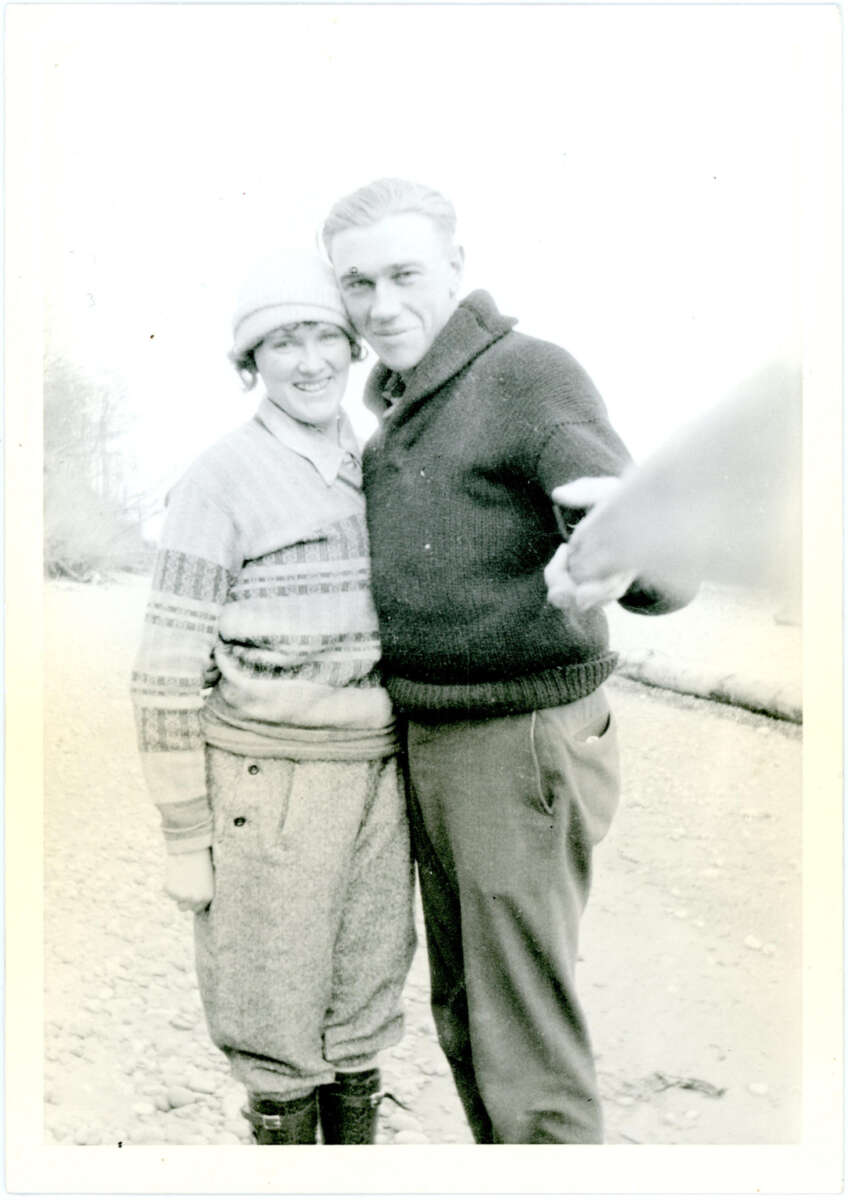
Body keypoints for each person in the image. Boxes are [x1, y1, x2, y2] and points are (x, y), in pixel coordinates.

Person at [321, 179, 692, 1145]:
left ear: (455, 267)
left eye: (405, 274)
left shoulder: (529, 376)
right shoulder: (400, 410)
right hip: (434, 738)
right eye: (357, 284)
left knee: (520, 1041)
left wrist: (624, 555)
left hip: (515, 742)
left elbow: (658, 555)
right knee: (469, 1022)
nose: (382, 305)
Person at [130, 249, 415, 1145]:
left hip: (378, 779)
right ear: (251, 363)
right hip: (267, 783)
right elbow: (166, 669)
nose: (309, 362)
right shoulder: (219, 478)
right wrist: (186, 837)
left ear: (353, 346)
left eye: (325, 336)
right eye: (281, 342)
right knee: (273, 1018)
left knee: (363, 1007)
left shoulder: (377, 466)